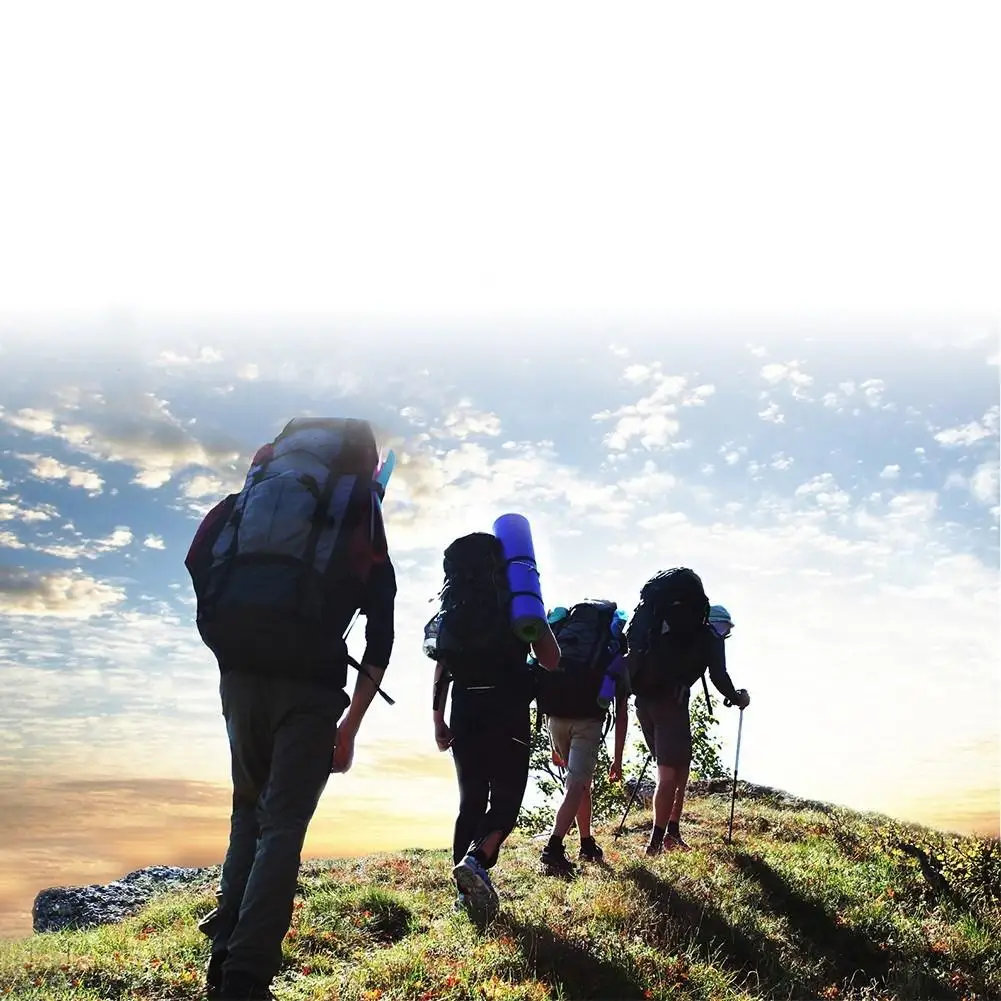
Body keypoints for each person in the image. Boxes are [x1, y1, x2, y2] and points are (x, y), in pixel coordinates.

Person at [186, 418, 396, 1001]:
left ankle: (223, 957)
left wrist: (240, 635)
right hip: (310, 688)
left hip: (240, 677)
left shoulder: (250, 499)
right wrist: (349, 726)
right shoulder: (360, 514)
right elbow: (382, 630)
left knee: (246, 814)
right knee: (281, 827)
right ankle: (246, 978)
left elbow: (200, 556)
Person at [425, 529, 561, 919]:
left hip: (465, 707)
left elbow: (442, 668)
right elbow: (551, 660)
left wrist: (437, 718)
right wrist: (535, 618)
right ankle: (476, 861)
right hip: (508, 708)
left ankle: (464, 896)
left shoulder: (452, 608)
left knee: (470, 801)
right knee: (505, 801)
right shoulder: (516, 603)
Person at [624, 571, 750, 856]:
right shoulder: (707, 636)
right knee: (669, 774)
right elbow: (719, 676)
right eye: (725, 629)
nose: (725, 635)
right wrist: (737, 697)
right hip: (672, 704)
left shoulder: (663, 629)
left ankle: (672, 833)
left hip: (644, 701)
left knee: (679, 769)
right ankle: (657, 842)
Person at [534, 601, 631, 875]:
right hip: (587, 721)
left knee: (581, 783)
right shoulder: (611, 649)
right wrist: (618, 760)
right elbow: (621, 712)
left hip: (554, 719)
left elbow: (546, 679)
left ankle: (586, 842)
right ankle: (553, 848)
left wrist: (552, 740)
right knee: (576, 785)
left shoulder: (566, 637)